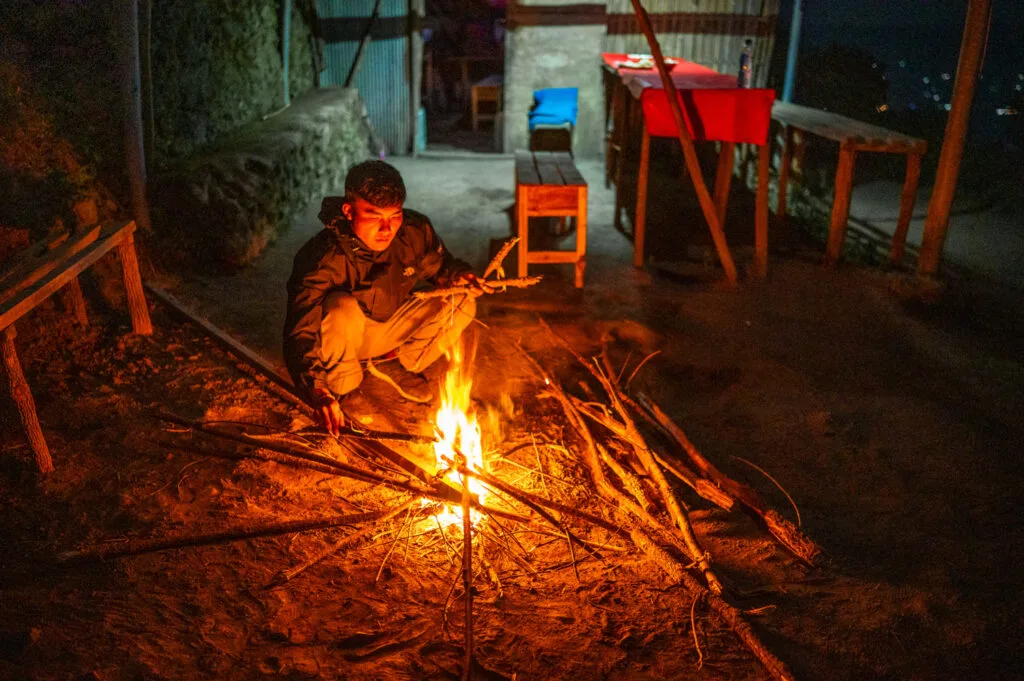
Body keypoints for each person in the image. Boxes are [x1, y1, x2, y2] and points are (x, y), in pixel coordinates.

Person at [283, 160, 483, 435]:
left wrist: (459, 276)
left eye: (394, 215)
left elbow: (440, 267)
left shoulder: (413, 231)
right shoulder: (321, 258)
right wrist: (315, 389)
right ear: (348, 211)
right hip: (346, 337)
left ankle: (395, 363)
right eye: (374, 216)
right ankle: (346, 388)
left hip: (391, 325)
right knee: (339, 306)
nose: (387, 228)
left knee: (461, 299)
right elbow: (300, 330)